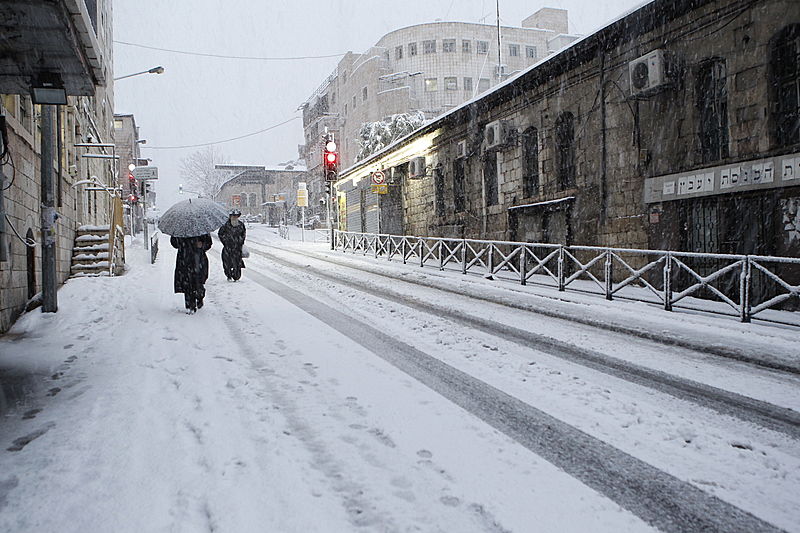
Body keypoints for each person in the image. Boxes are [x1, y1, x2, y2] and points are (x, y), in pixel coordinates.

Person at [170, 234, 212, 313]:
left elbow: (209, 243)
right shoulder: (180, 231)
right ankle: (190, 305)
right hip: (184, 259)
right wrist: (179, 242)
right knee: (187, 283)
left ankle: (199, 297)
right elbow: (174, 243)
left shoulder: (201, 230)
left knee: (198, 281)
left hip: (198, 259)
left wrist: (202, 245)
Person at [218, 209, 246, 281]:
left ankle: (236, 276)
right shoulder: (225, 225)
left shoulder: (241, 225)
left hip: (237, 248)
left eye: (236, 216)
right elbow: (220, 234)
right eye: (233, 216)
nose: (234, 218)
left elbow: (243, 234)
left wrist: (240, 241)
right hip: (228, 247)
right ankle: (229, 275)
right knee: (227, 263)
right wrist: (226, 241)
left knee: (237, 262)